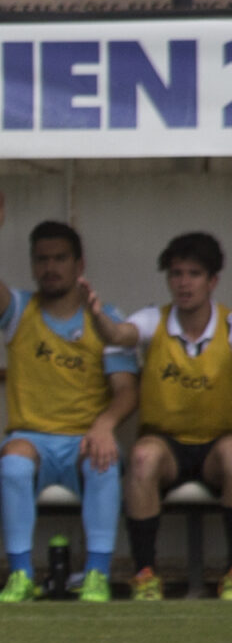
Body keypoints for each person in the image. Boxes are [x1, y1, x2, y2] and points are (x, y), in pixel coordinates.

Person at [0, 191, 137, 602]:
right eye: (42, 259)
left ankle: (97, 574)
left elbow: (126, 391)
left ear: (78, 265)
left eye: (60, 258)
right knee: (12, 464)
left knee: (104, 458)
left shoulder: (105, 319)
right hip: (33, 437)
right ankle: (21, 575)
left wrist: (103, 425)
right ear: (33, 265)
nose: (50, 267)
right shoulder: (19, 311)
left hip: (83, 437)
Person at [89, 232, 232, 600]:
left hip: (218, 442)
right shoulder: (154, 319)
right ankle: (145, 574)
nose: (184, 283)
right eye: (176, 274)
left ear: (213, 280)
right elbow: (120, 334)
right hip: (166, 442)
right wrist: (97, 317)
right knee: (141, 457)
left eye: (194, 274)